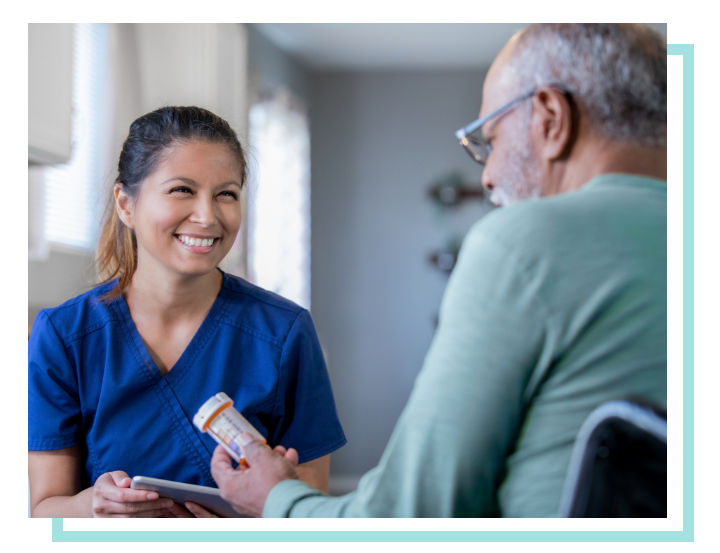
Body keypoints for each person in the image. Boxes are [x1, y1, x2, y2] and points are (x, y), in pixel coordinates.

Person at [210, 23, 668, 518]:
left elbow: (412, 515)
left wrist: (276, 497)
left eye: (490, 139)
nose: (488, 175)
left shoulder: (526, 243)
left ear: (551, 118)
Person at [28, 107, 346, 518]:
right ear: (126, 204)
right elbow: (44, 511)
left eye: (226, 194)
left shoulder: (284, 332)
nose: (207, 216)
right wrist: (95, 506)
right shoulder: (64, 336)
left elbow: (308, 507)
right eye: (182, 190)